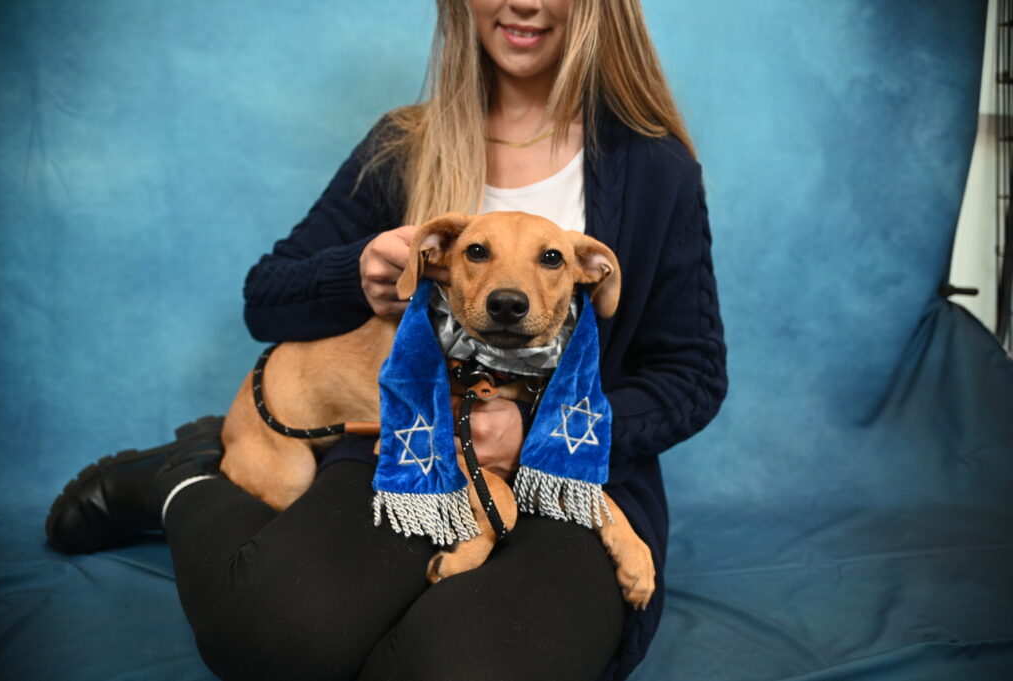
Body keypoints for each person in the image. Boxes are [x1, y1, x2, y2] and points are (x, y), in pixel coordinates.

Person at [46, 1, 727, 679]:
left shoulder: (654, 170)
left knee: (459, 666)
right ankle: (184, 476)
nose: (524, 2)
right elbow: (265, 297)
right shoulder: (404, 145)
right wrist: (356, 272)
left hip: (573, 474)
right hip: (409, 452)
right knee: (278, 633)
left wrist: (534, 433)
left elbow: (690, 376)